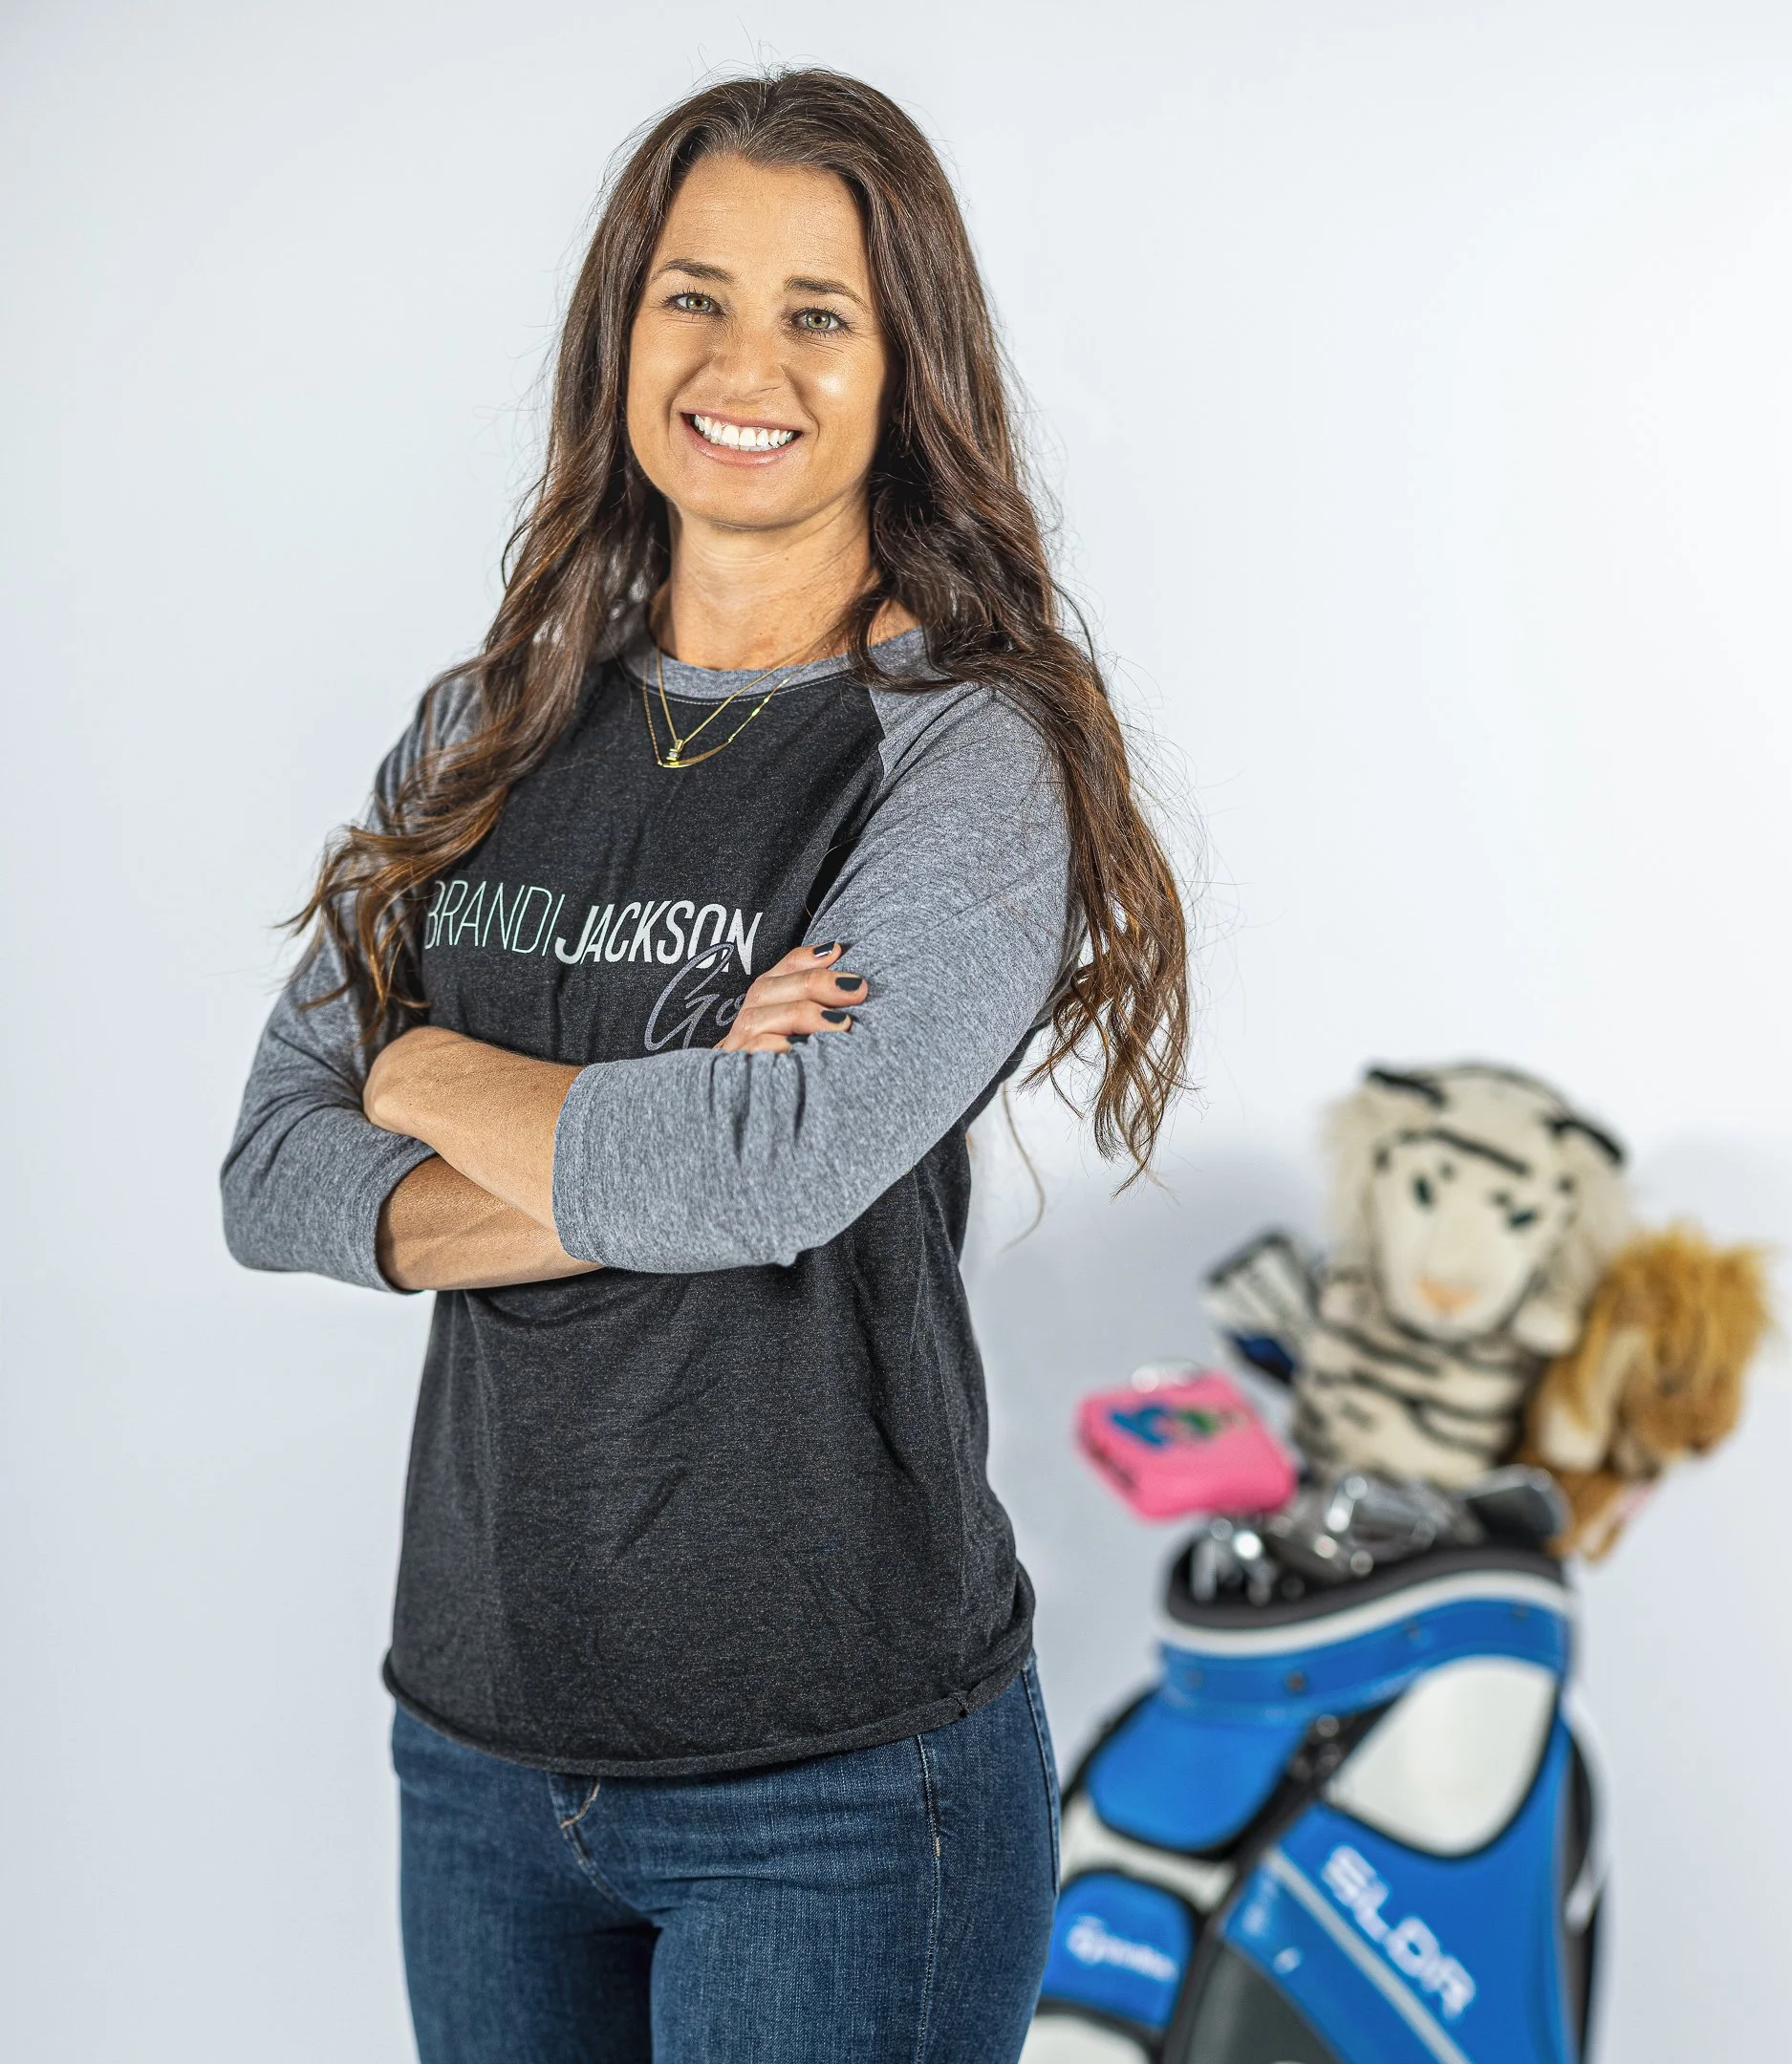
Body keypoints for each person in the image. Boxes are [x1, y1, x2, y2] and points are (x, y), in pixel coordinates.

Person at [222, 67, 1189, 2064]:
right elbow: (267, 1179)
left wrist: (410, 1061)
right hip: (481, 1750)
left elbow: (768, 1178)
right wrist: (641, 1132)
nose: (745, 362)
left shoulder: (953, 754)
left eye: (817, 312)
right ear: (620, 328)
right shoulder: (479, 734)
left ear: (900, 360)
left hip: (836, 1787)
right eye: (694, 296)